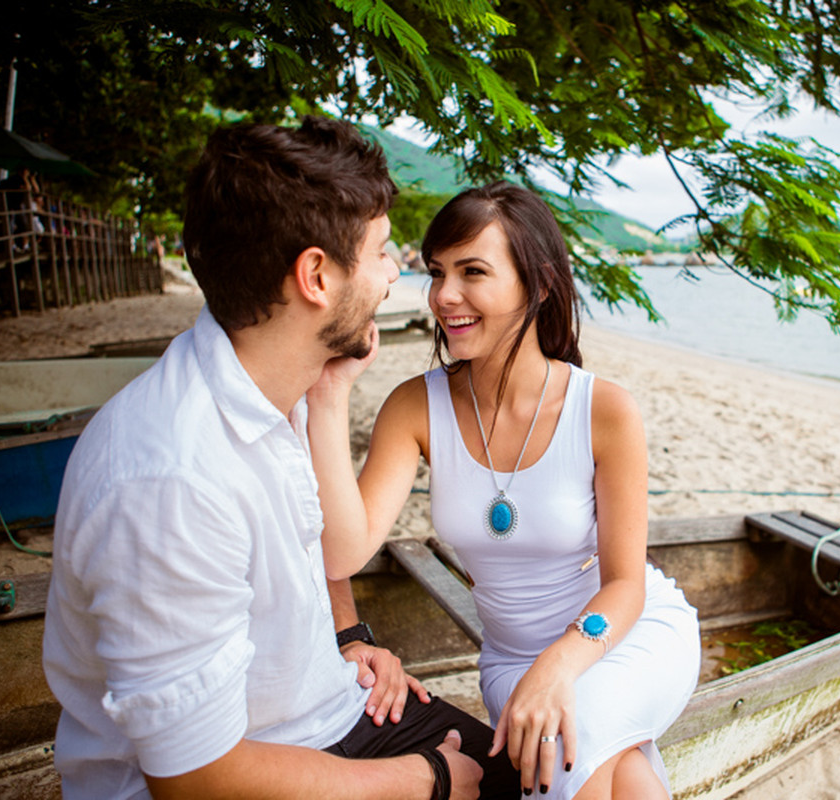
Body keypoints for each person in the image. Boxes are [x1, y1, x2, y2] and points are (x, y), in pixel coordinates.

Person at [41, 117, 519, 800]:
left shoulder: (275, 384)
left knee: (537, 775)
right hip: (237, 769)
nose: (393, 277)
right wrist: (426, 777)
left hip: (325, 710)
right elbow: (197, 777)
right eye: (383, 252)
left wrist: (348, 636)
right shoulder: (170, 480)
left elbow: (309, 544)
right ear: (316, 276)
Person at [308, 181, 701, 799]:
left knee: (568, 748)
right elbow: (342, 552)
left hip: (622, 635)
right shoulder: (416, 406)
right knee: (614, 772)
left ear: (538, 284)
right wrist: (330, 396)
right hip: (512, 662)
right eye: (437, 272)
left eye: (473, 272)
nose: (445, 296)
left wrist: (561, 665)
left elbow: (626, 584)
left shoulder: (605, 411)